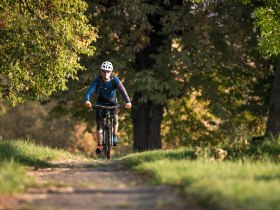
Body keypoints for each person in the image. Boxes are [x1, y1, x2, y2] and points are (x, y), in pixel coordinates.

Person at [85, 61, 132, 154]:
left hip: (113, 102)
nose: (106, 73)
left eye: (108, 71)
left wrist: (128, 102)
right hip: (100, 103)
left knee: (115, 119)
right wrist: (87, 100)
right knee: (99, 125)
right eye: (104, 71)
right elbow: (89, 91)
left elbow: (123, 91)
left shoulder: (115, 80)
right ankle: (99, 145)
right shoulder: (97, 80)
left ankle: (114, 136)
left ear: (111, 72)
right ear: (101, 71)